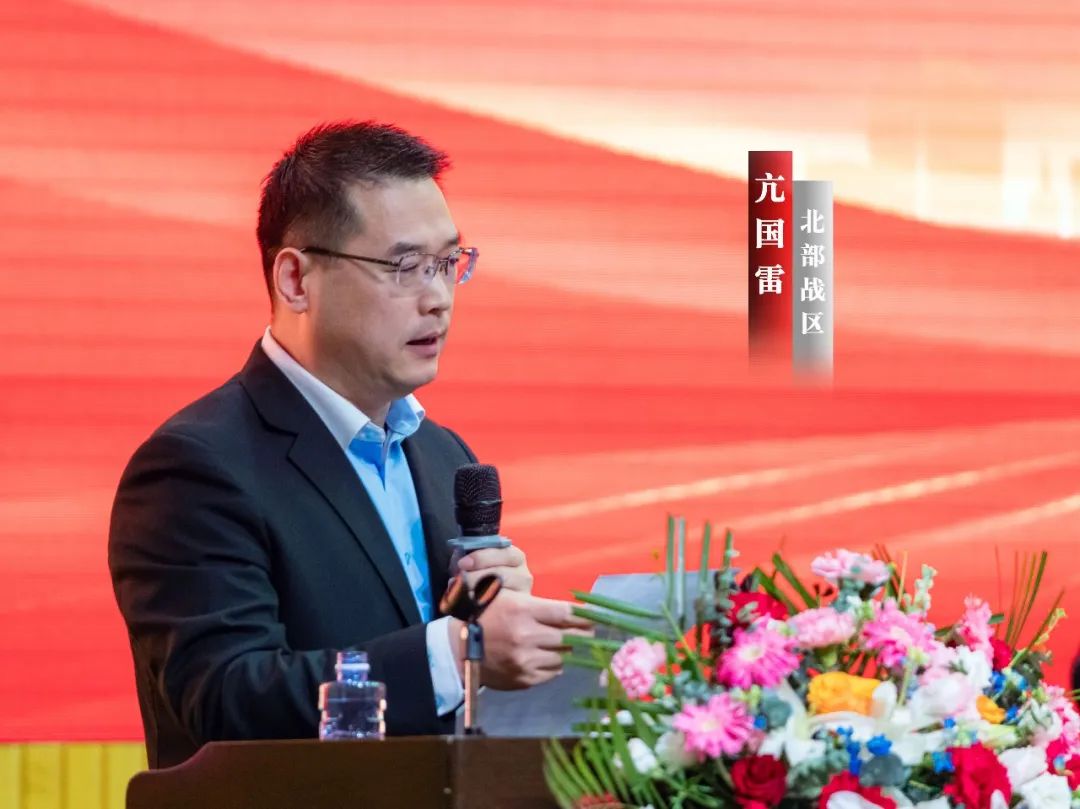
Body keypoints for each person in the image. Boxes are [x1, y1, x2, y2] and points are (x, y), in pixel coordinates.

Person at [108, 121, 592, 769]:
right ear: (295, 280)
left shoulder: (443, 455)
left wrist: (497, 631)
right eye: (405, 267)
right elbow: (227, 698)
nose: (438, 298)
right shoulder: (195, 469)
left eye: (448, 263)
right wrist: (455, 654)